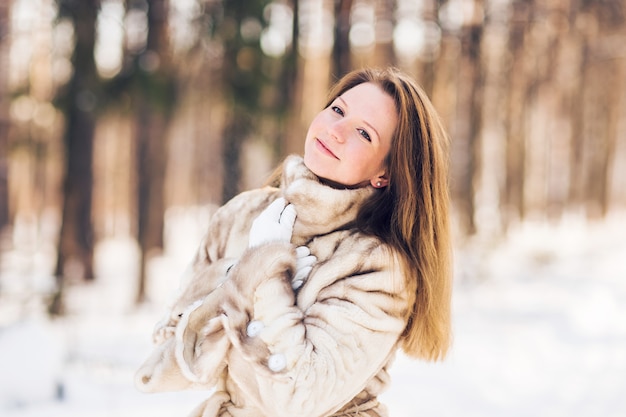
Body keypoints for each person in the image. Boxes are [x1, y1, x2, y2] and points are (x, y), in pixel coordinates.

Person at [135, 67, 453, 417]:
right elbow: (172, 362)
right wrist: (237, 276)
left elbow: (298, 400)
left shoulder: (377, 267)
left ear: (385, 173)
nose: (336, 131)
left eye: (364, 133)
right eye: (338, 110)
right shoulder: (243, 213)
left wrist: (266, 273)